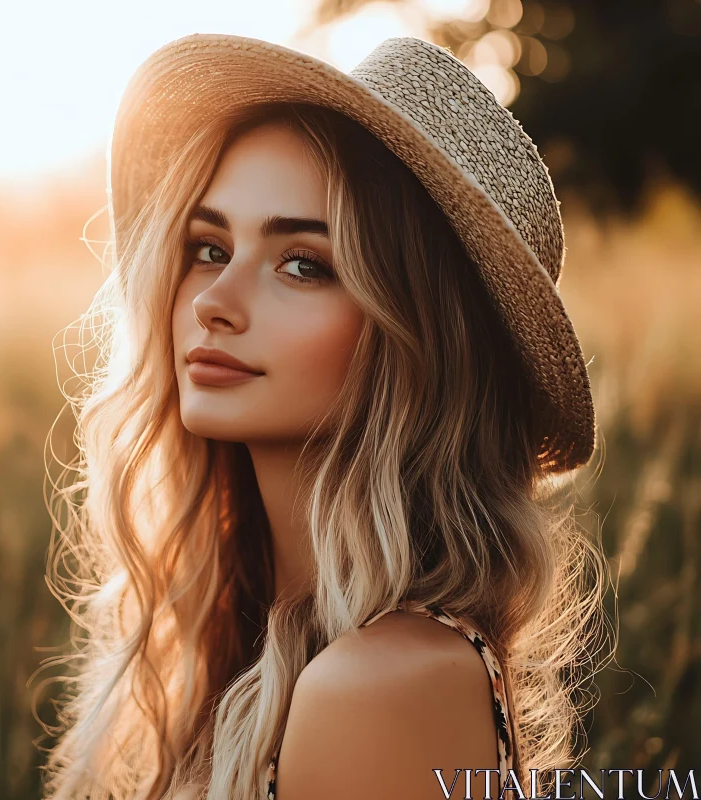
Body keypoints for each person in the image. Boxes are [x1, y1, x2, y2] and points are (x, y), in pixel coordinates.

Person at [39, 33, 610, 800]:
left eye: (303, 264)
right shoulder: (254, 641)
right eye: (208, 247)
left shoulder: (383, 684)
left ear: (422, 339)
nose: (213, 302)